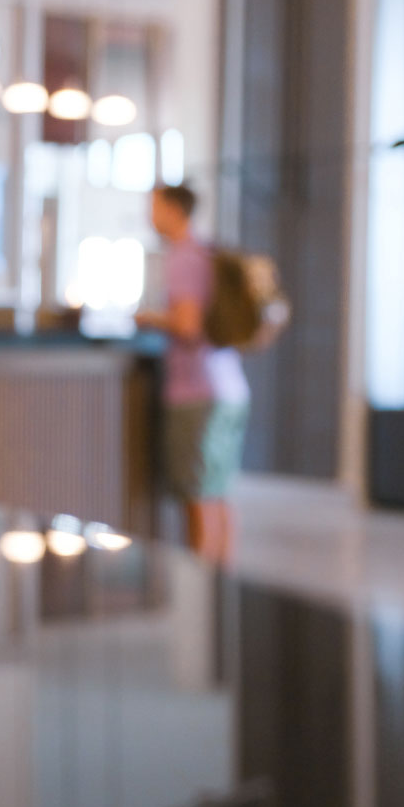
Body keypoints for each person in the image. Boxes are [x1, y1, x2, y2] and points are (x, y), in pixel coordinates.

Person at [134, 184, 250, 561]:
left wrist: (147, 318)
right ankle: (220, 585)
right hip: (230, 385)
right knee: (217, 492)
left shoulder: (183, 256)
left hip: (195, 391)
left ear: (172, 209)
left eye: (153, 206)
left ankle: (202, 587)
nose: (149, 215)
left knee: (196, 497)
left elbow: (186, 325)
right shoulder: (209, 251)